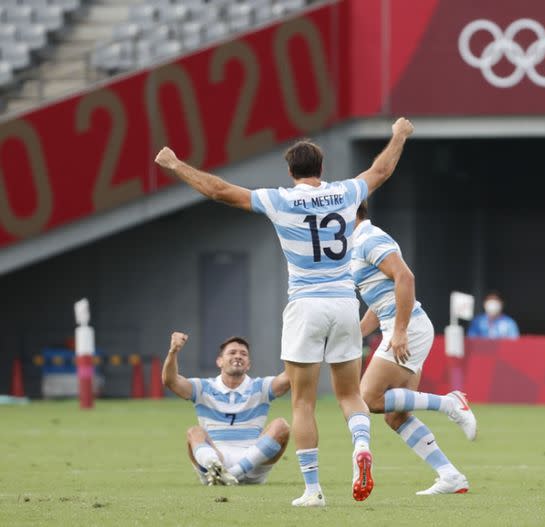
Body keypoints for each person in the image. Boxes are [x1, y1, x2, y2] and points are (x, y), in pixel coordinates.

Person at [154, 117, 414, 507]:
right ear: (322, 169)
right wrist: (398, 135)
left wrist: (176, 164)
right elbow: (381, 169)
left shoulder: (280, 199)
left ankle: (313, 490)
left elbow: (220, 191)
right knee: (349, 395)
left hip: (305, 305)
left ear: (291, 172)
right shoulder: (345, 193)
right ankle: (361, 446)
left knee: (303, 402)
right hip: (345, 303)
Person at [351, 202, 477, 495]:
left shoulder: (370, 238)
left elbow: (405, 278)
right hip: (401, 327)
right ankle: (450, 476)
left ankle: (451, 404)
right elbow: (380, 300)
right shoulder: (356, 244)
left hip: (408, 329)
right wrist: (357, 333)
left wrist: (399, 330)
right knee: (396, 416)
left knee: (368, 398)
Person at [161, 331, 291, 486]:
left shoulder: (261, 387)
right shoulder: (203, 387)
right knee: (194, 432)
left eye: (243, 354)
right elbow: (170, 381)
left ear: (248, 364)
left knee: (281, 426)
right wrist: (173, 351)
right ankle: (217, 469)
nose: (238, 356)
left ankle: (232, 474)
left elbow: (291, 376)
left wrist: (296, 344)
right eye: (232, 352)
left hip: (253, 463)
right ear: (219, 361)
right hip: (215, 456)